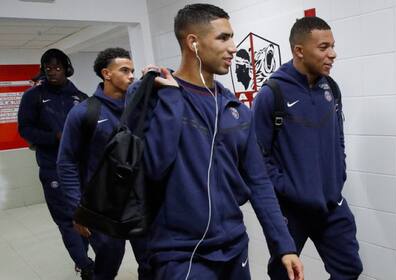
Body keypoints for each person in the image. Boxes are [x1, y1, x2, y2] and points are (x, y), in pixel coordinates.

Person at [127, 4, 304, 280]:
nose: (233, 47)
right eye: (223, 38)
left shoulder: (235, 108)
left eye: (232, 37)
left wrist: (284, 246)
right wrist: (172, 101)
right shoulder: (154, 93)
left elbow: (258, 181)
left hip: (233, 247)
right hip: (179, 253)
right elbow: (153, 168)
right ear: (193, 42)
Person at [252, 16, 363, 279]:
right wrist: (289, 189)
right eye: (323, 47)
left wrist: (338, 176)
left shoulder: (331, 89)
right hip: (292, 209)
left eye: (332, 46)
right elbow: (258, 157)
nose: (332, 54)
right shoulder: (272, 93)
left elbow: (338, 139)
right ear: (299, 50)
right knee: (284, 274)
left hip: (331, 204)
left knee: (350, 268)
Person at [57, 47, 146, 280]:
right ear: (107, 73)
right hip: (102, 207)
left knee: (151, 262)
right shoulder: (83, 113)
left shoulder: (139, 109)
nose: (131, 76)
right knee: (108, 265)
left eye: (132, 71)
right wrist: (78, 211)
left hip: (140, 203)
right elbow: (66, 163)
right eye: (124, 70)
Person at [17, 48, 94, 279]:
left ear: (66, 69)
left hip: (82, 168)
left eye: (57, 67)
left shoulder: (81, 97)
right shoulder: (34, 96)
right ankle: (85, 265)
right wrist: (54, 138)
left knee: (84, 217)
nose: (52, 72)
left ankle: (83, 258)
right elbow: (25, 129)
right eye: (48, 68)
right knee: (67, 219)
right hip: (53, 168)